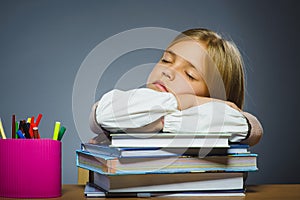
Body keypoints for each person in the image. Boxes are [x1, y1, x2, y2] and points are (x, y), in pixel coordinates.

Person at [89, 28, 263, 146]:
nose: (168, 72)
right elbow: (102, 113)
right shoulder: (135, 100)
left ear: (214, 95)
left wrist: (153, 123)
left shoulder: (218, 115)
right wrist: (181, 102)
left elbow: (248, 127)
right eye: (166, 60)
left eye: (190, 75)